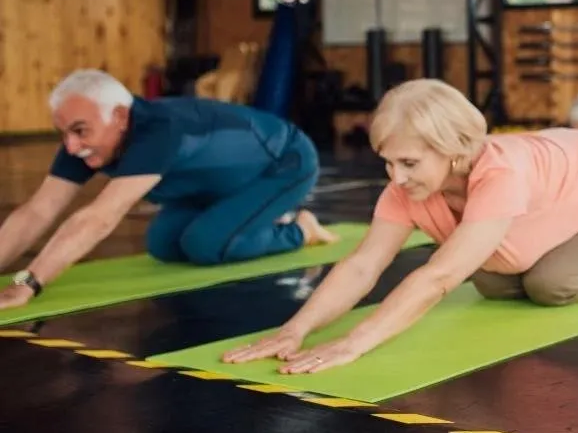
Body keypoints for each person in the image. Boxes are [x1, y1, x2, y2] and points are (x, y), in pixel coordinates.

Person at [223, 79, 578, 374]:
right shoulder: (408, 186)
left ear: (453, 150)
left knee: (550, 284)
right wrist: (296, 329)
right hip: (560, 181)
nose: (395, 178)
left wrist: (353, 343)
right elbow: (363, 265)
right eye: (389, 162)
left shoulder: (499, 174)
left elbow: (439, 277)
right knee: (494, 281)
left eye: (409, 163)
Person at [0, 70, 337, 310]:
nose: (71, 146)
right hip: (212, 186)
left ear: (119, 116)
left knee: (205, 244)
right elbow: (38, 210)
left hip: (283, 165)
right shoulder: (88, 143)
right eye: (63, 133)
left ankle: (299, 230)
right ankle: (244, 219)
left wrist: (27, 283)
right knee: (163, 244)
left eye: (79, 130)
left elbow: (100, 218)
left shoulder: (161, 131)